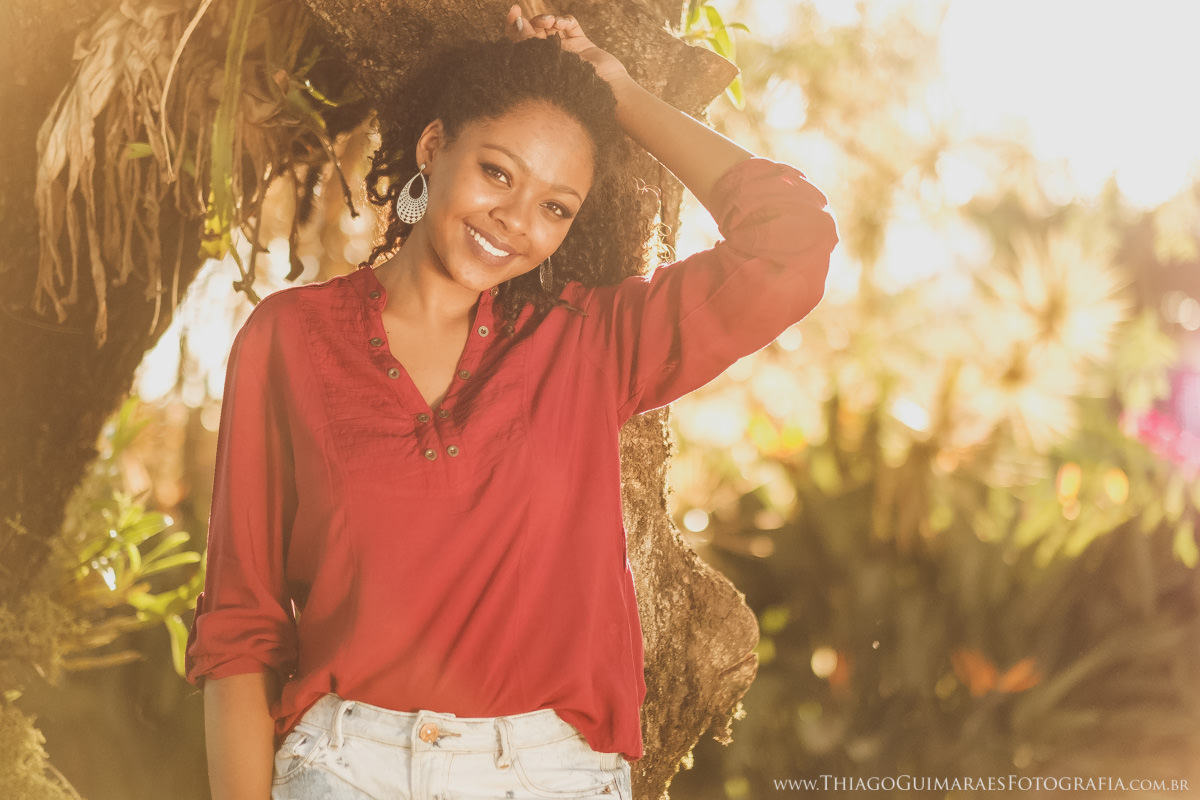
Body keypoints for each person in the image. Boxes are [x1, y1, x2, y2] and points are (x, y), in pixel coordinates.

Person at [185, 6, 838, 800]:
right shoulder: (289, 340)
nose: (515, 222)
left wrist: (619, 93)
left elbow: (791, 243)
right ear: (435, 147)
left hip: (549, 775)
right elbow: (239, 632)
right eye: (497, 172)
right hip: (341, 768)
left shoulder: (592, 345)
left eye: (555, 207)